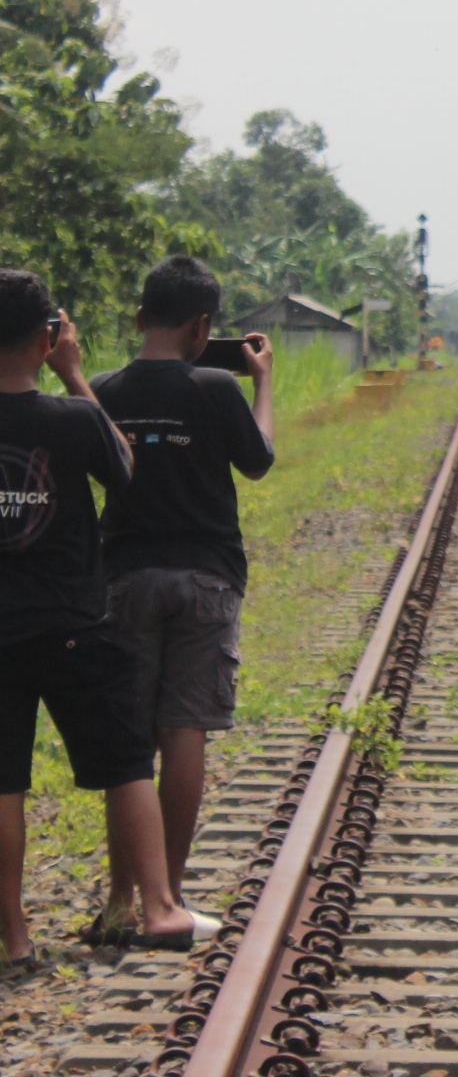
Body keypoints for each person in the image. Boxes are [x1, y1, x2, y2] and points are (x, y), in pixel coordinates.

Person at [0, 269, 204, 964]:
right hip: (72, 625)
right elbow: (124, 467)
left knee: (3, 781)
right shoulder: (73, 416)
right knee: (123, 762)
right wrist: (76, 374)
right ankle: (158, 906)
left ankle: (16, 939)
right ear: (47, 337)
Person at [92, 256, 274, 931]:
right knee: (183, 729)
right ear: (204, 326)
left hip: (126, 577)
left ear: (140, 318)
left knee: (128, 741)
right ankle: (167, 895)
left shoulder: (104, 389)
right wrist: (262, 384)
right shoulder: (214, 388)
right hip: (206, 577)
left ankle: (119, 900)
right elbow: (257, 462)